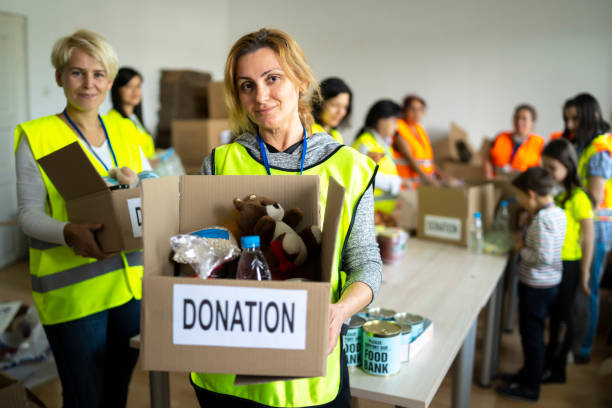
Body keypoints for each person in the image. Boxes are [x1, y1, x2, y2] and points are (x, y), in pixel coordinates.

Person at [194, 28, 382, 407]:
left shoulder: (350, 167)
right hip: (228, 369)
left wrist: (341, 311)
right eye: (247, 85)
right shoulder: (220, 162)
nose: (260, 97)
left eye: (272, 79)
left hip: (308, 369)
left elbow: (365, 261)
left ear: (300, 80)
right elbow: (199, 259)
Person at [14, 29, 149, 407]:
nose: (88, 83)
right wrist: (69, 231)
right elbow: (28, 215)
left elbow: (145, 188)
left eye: (98, 73)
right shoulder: (40, 136)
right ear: (59, 77)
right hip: (74, 293)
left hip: (130, 287)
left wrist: (145, 187)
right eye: (77, 72)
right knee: (83, 395)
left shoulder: (126, 130)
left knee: (117, 387)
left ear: (109, 79)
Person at [497, 167, 566, 402]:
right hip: (549, 284)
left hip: (536, 286)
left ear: (532, 194)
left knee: (531, 336)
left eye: (520, 197)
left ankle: (530, 387)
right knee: (532, 334)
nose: (519, 202)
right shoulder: (557, 213)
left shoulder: (543, 220)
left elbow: (543, 256)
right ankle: (527, 374)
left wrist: (520, 249)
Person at [562, 93, 612, 363]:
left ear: (592, 116)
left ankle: (581, 348)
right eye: (567, 119)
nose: (569, 125)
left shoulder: (600, 150)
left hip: (596, 232)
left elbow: (591, 199)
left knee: (585, 289)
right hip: (586, 229)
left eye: (574, 118)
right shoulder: (586, 145)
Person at [541, 139, 595, 383]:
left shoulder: (579, 198)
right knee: (553, 315)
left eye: (553, 168)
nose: (548, 173)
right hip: (551, 262)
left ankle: (558, 367)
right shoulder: (554, 193)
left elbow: (588, 238)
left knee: (564, 317)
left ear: (568, 166)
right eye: (545, 168)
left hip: (569, 264)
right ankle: (549, 361)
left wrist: (584, 273)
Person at [352, 100, 402, 214]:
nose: (396, 126)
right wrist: (397, 183)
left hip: (383, 213)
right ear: (380, 119)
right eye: (394, 121)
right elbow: (364, 174)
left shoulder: (384, 144)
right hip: (369, 213)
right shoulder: (365, 143)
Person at [107, 67, 155, 158]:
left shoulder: (134, 118)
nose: (135, 91)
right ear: (117, 89)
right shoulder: (112, 120)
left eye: (138, 86)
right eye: (129, 86)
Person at [485, 104, 544, 178]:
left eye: (524, 119)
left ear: (532, 122)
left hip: (521, 185)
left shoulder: (539, 143)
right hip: (497, 180)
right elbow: (487, 158)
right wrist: (488, 177)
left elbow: (541, 170)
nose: (519, 122)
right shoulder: (501, 137)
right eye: (517, 118)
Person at [392, 94, 439, 187]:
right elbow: (409, 157)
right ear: (405, 111)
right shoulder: (399, 128)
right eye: (412, 109)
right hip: (406, 186)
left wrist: (443, 177)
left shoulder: (419, 129)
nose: (417, 113)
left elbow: (428, 161)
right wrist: (428, 179)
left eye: (420, 109)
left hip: (421, 185)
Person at [311, 77, 352, 144]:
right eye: (335, 105)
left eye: (345, 107)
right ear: (320, 103)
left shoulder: (337, 136)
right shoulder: (307, 130)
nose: (340, 112)